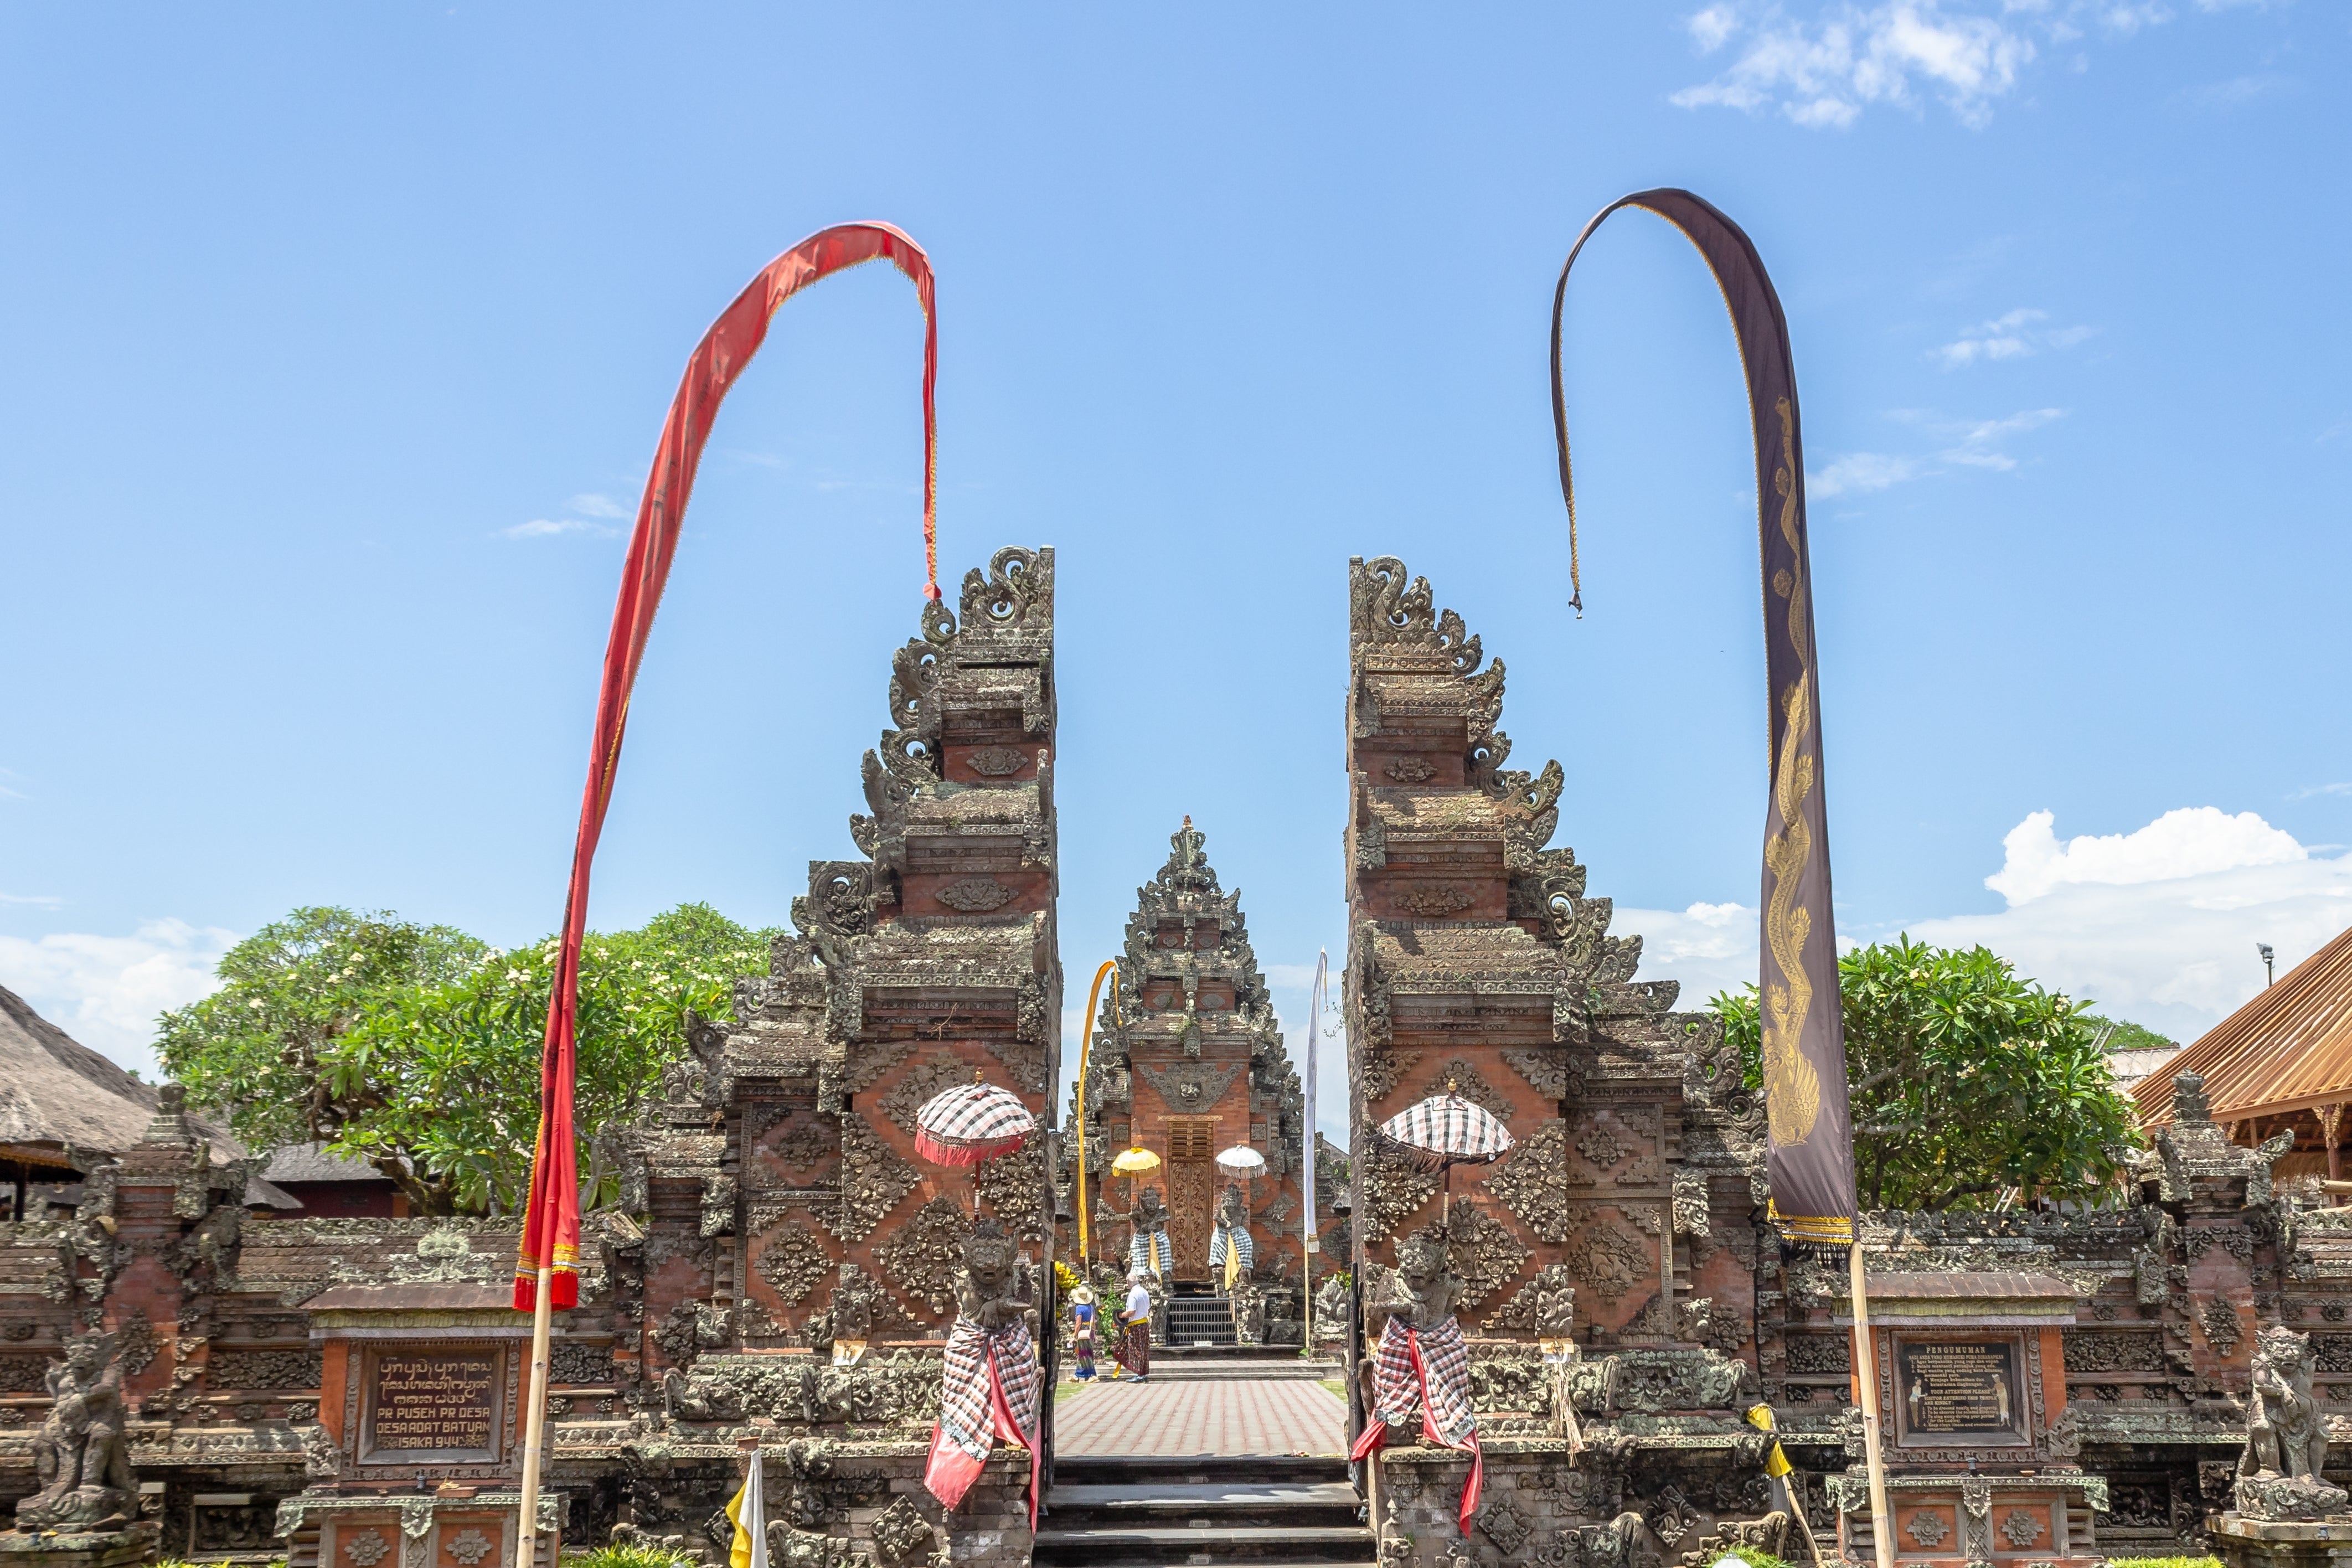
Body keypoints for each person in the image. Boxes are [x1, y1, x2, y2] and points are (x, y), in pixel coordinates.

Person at [1115, 1269, 1152, 1381]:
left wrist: (1121, 1315)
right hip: (1144, 1323)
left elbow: (1131, 1312)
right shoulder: (1144, 1292)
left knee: (1136, 1349)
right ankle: (1144, 1373)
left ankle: (1139, 1374)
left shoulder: (1133, 1294)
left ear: (1128, 1283)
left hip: (1136, 1325)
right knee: (1144, 1349)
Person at [1069, 1284, 1097, 1382]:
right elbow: (1093, 1321)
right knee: (1087, 1354)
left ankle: (1091, 1374)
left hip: (1083, 1333)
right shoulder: (1091, 1307)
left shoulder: (1079, 1308)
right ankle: (1081, 1375)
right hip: (1090, 1332)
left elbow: (1078, 1323)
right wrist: (1094, 1333)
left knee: (1084, 1354)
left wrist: (1074, 1335)